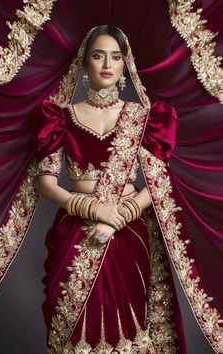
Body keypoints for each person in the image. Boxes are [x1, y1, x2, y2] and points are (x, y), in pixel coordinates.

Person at [34, 25, 188, 354]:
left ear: (124, 65)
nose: (107, 63)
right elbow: (45, 183)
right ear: (85, 63)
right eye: (98, 55)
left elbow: (160, 184)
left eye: (115, 57)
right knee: (71, 330)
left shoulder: (144, 117)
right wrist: (92, 209)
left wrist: (119, 214)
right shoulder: (60, 116)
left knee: (126, 334)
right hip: (74, 232)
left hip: (127, 234)